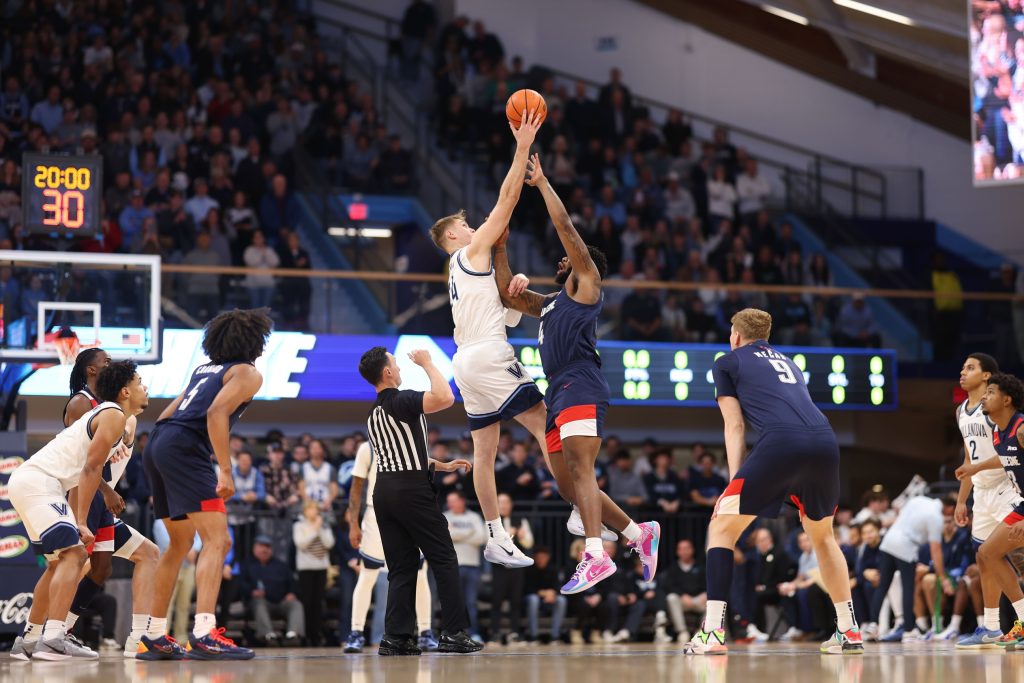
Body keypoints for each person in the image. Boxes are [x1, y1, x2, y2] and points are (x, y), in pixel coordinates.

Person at [494, 153, 660, 596]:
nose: (560, 261)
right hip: (559, 391)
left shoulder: (587, 284)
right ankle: (637, 534)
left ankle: (595, 553)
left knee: (582, 472)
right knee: (569, 484)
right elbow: (507, 296)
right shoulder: (549, 303)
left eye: (567, 260)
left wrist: (543, 183)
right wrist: (499, 242)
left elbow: (567, 231)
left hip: (581, 381)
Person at [682, 308, 862, 655]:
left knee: (721, 527)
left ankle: (713, 632)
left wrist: (734, 483)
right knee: (824, 538)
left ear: (735, 336)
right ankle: (849, 631)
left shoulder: (727, 361)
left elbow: (734, 427)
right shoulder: (790, 362)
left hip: (782, 442)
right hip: (825, 440)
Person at [428, 107, 547, 568]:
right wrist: (521, 147)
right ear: (453, 236)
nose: (475, 227)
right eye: (466, 226)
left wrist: (512, 289)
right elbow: (508, 198)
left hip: (468, 359)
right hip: (486, 354)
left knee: (485, 451)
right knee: (545, 424)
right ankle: (584, 511)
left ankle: (497, 535)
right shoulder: (470, 251)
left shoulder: (463, 271)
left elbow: (508, 315)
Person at [139, 309, 273, 661]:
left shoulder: (203, 370)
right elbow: (216, 413)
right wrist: (225, 471)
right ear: (255, 342)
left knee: (179, 544)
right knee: (219, 540)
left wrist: (162, 465)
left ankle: (152, 636)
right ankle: (203, 633)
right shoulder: (247, 372)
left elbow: (169, 412)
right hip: (185, 449)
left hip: (159, 441)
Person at [8, 361, 147, 660]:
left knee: (59, 563)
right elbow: (91, 468)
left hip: (34, 482)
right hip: (40, 483)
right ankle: (55, 638)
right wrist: (81, 521)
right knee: (76, 554)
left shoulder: (117, 418)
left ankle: (30, 640)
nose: (144, 387)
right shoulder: (113, 414)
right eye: (139, 381)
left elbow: (92, 470)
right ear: (125, 391)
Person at [357, 346, 482, 655]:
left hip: (384, 492)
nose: (399, 368)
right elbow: (445, 398)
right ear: (386, 372)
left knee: (402, 566)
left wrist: (441, 465)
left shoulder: (373, 414)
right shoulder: (402, 400)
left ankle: (395, 638)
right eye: (395, 364)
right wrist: (427, 363)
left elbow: (400, 456)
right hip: (411, 490)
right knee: (443, 556)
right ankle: (453, 632)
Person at [57, 349, 160, 659]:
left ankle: (135, 637)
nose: (111, 364)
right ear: (91, 370)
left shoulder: (121, 416)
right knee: (70, 567)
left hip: (99, 502)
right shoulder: (83, 404)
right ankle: (43, 634)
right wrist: (106, 492)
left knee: (103, 568)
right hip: (79, 497)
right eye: (106, 361)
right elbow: (82, 463)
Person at [344, 441, 436, 653]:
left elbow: (425, 482)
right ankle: (356, 632)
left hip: (410, 513)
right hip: (375, 513)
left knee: (420, 574)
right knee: (367, 575)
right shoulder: (367, 448)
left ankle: (425, 632)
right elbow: (356, 487)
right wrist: (353, 524)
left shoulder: (412, 443)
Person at [955, 373, 1024, 648]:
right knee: (987, 553)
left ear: (1007, 399)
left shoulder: (1021, 428)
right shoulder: (998, 431)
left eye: (991, 392)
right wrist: (975, 467)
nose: (985, 396)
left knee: (992, 553)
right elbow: (1007, 455)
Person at [862, 495, 953, 642]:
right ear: (948, 508)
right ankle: (909, 631)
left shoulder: (918, 499)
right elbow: (935, 549)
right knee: (908, 588)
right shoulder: (936, 517)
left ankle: (873, 624)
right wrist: (943, 577)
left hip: (888, 541)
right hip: (906, 546)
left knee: (883, 586)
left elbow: (899, 516)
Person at [239, 535, 304, 646]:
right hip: (261, 601)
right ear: (254, 548)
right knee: (259, 603)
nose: (265, 550)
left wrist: (291, 593)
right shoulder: (246, 565)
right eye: (261, 546)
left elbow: (292, 582)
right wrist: (251, 592)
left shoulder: (280, 565)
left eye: (267, 547)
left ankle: (293, 635)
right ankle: (267, 636)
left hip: (281, 601)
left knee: (296, 604)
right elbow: (240, 584)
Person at [444, 491, 487, 639]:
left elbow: (481, 538)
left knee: (471, 602)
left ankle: (473, 633)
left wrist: (455, 533)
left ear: (462, 501)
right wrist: (469, 533)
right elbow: (444, 537)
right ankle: (453, 634)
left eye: (453, 500)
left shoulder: (474, 517)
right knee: (453, 603)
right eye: (449, 501)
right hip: (452, 566)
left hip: (472, 566)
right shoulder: (445, 516)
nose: (450, 504)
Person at [293, 500, 336, 646]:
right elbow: (301, 543)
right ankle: (306, 635)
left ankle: (316, 636)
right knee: (307, 603)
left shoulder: (323, 525)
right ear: (305, 511)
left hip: (321, 568)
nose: (313, 512)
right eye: (310, 509)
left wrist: (319, 528)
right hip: (306, 569)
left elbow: (329, 543)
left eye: (315, 509)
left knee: (318, 603)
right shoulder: (299, 526)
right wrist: (314, 530)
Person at [664, 539, 706, 643]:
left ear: (692, 550)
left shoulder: (701, 566)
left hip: (698, 600)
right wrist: (682, 595)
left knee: (713, 601)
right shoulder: (673, 568)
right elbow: (670, 586)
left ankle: (702, 632)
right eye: (681, 549)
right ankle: (682, 631)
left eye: (687, 548)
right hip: (682, 601)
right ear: (677, 552)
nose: (685, 551)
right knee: (671, 598)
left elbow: (708, 584)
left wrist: (705, 594)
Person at [524, 546, 568, 643]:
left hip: (550, 599)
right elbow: (526, 588)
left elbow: (559, 586)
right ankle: (533, 636)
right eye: (539, 557)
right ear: (534, 557)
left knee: (561, 600)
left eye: (543, 557)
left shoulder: (554, 569)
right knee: (533, 599)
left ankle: (555, 636)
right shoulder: (529, 569)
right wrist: (542, 593)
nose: (541, 560)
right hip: (534, 599)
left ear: (548, 557)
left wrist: (553, 593)